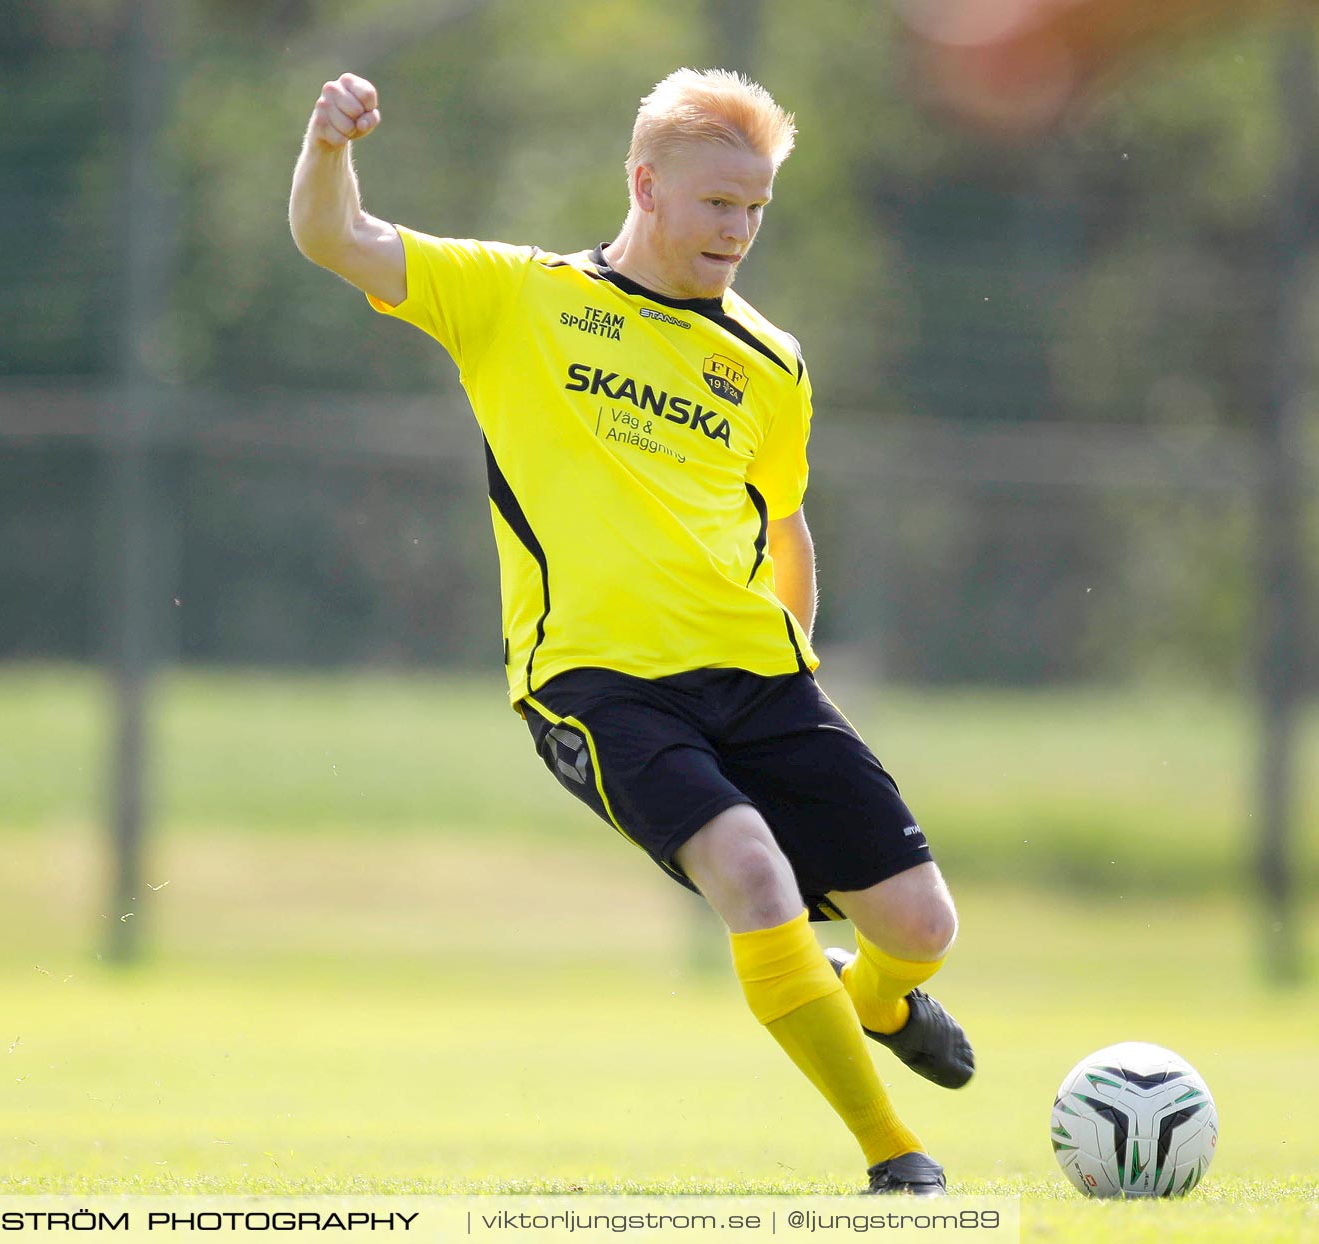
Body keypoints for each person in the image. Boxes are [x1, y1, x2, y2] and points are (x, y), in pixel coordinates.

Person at [289, 68, 973, 1195]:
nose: (739, 231)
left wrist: (800, 676)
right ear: (647, 184)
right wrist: (326, 147)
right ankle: (895, 1155)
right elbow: (336, 237)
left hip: (757, 676)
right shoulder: (518, 295)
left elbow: (783, 523)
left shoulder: (771, 360)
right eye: (718, 204)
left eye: (756, 209)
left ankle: (882, 993)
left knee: (922, 920)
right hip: (597, 679)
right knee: (751, 875)